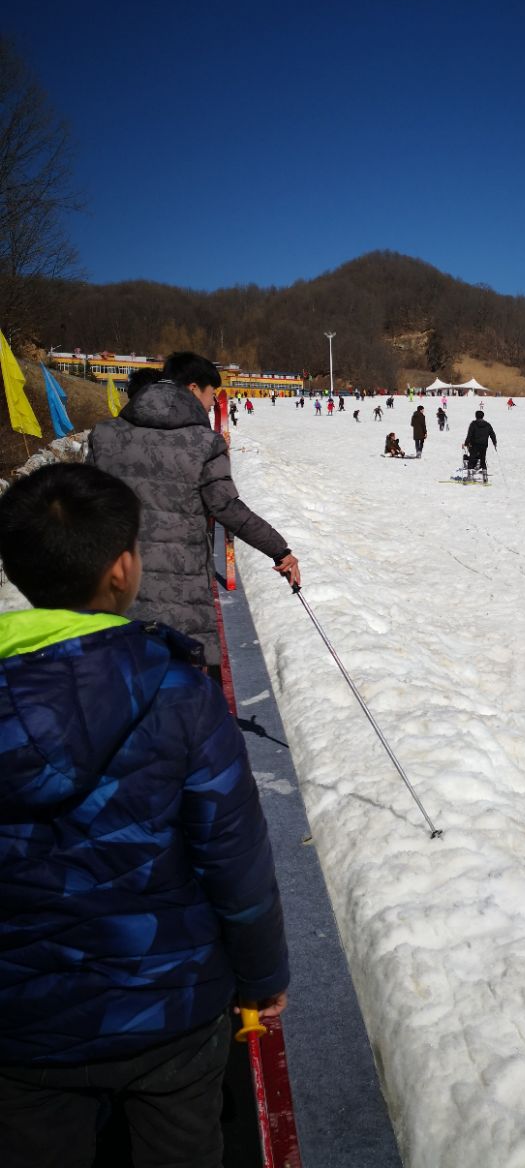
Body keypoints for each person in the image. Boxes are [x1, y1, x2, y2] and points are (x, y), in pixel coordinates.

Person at [0, 463, 288, 1168]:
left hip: (23, 1024)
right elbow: (234, 856)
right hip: (172, 1008)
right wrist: (263, 976)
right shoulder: (177, 691)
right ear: (124, 568)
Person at [87, 352, 300, 678]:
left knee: (126, 691)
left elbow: (85, 507)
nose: (214, 403)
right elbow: (226, 507)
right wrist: (280, 549)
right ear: (192, 387)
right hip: (180, 598)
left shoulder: (105, 435)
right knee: (189, 697)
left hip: (115, 589)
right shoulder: (204, 443)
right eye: (211, 394)